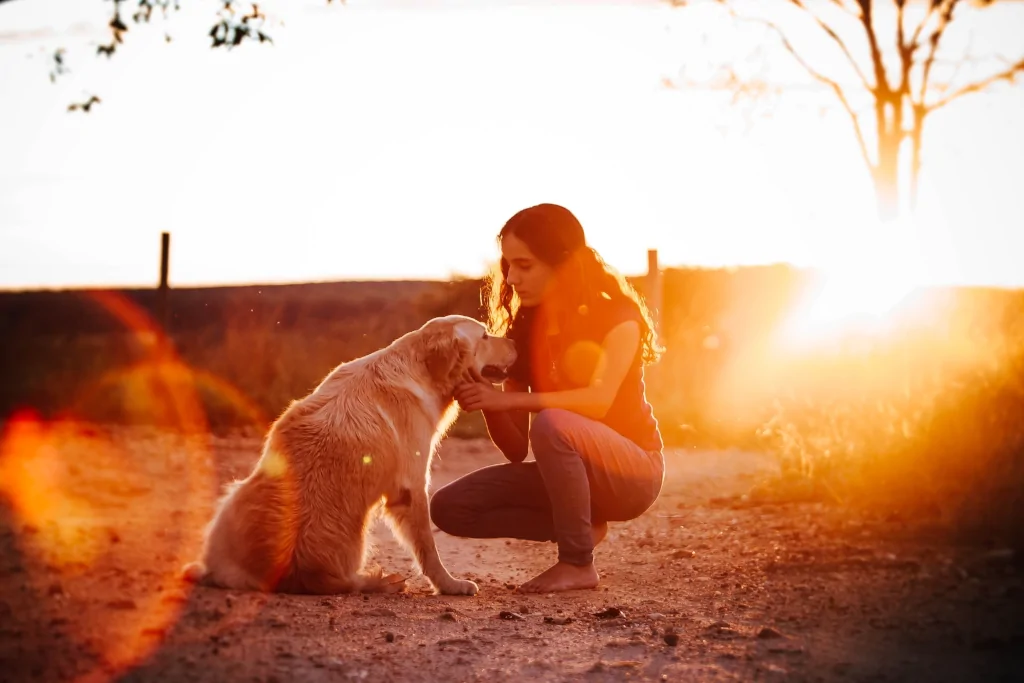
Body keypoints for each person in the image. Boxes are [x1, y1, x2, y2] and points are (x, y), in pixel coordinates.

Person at [429, 203, 666, 593]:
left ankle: (577, 563)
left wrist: (509, 402)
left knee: (554, 423)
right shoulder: (526, 328)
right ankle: (583, 528)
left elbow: (597, 402)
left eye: (525, 265)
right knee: (451, 507)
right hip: (569, 476)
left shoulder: (619, 317)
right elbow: (516, 448)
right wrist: (483, 394)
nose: (511, 277)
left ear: (563, 264)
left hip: (632, 474)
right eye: (507, 265)